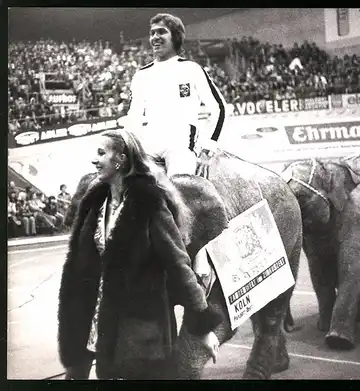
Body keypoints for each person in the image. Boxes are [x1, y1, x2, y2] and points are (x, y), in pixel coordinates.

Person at [58, 129, 222, 380]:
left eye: (101, 153)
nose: (94, 159)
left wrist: (203, 326)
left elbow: (178, 264)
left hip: (142, 334)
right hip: (101, 329)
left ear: (121, 159)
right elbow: (80, 268)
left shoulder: (150, 204)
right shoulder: (94, 203)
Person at [126, 13, 227, 176]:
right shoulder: (141, 75)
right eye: (152, 33)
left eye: (161, 32)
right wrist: (130, 149)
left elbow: (219, 108)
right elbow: (133, 117)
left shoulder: (191, 69)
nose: (155, 37)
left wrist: (209, 147)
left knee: (179, 191)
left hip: (181, 145)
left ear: (175, 36)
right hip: (148, 146)